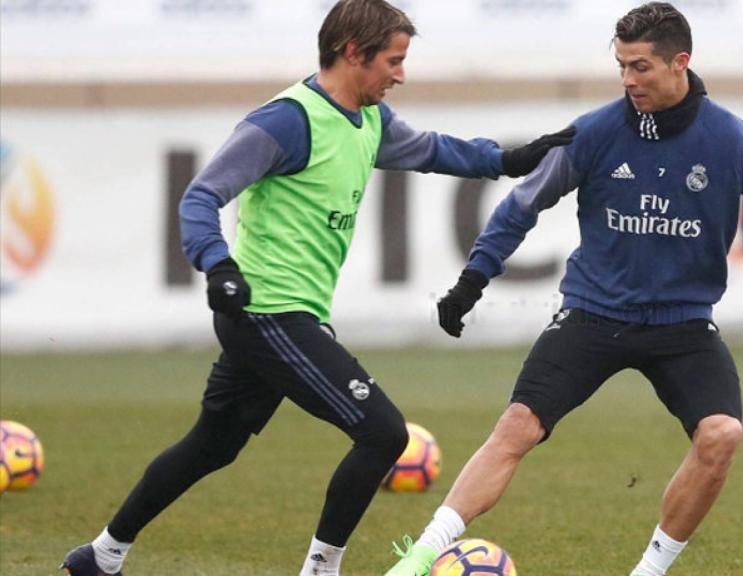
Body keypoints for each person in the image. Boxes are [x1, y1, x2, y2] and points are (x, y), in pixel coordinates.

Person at [384, 3, 743, 575]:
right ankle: (419, 557)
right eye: (621, 67)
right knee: (517, 426)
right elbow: (520, 205)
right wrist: (472, 281)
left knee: (722, 435)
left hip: (682, 325)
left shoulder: (734, 144)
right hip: (592, 314)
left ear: (680, 62)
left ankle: (649, 571)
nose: (628, 81)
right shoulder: (594, 132)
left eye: (640, 67)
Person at [59, 1, 574, 575]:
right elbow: (201, 195)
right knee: (383, 434)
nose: (400, 75)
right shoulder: (288, 120)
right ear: (353, 53)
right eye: (394, 61)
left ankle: (100, 556)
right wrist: (219, 266)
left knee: (213, 444)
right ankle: (320, 570)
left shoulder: (369, 119)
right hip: (266, 313)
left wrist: (506, 159)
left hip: (288, 316)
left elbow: (433, 149)